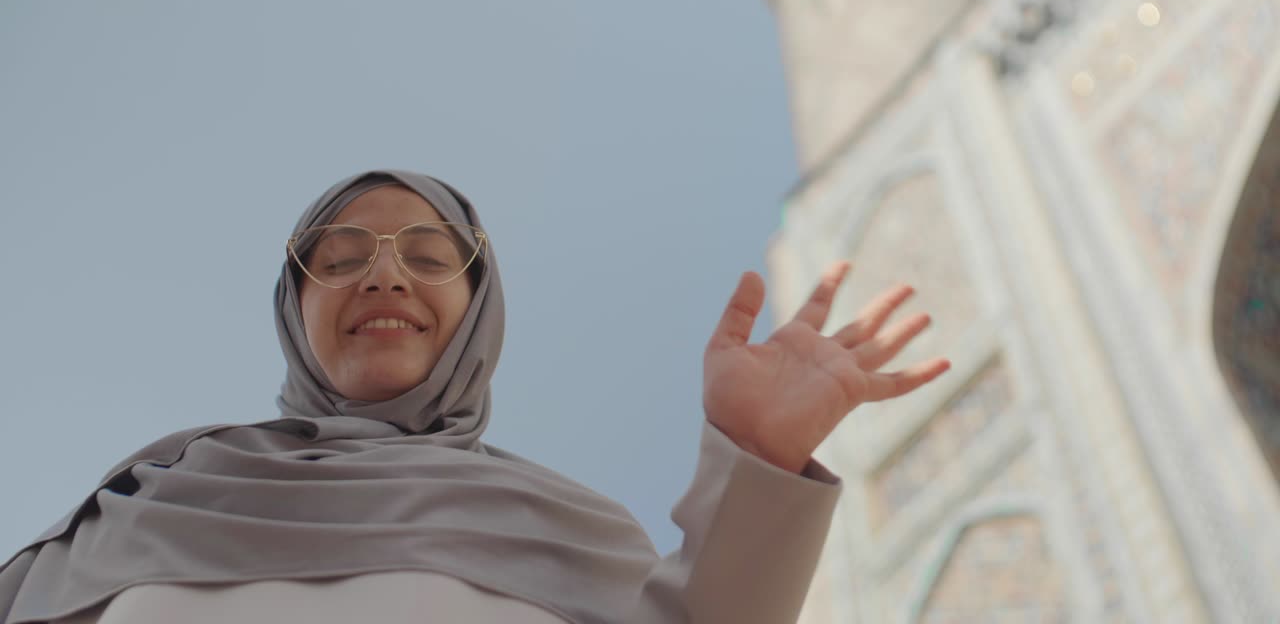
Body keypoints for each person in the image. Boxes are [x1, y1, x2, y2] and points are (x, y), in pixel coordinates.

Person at [0, 170, 949, 624]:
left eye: (426, 257)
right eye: (338, 259)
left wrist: (757, 468)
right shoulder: (158, 498)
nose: (382, 278)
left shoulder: (566, 528)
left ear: (479, 308)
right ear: (293, 309)